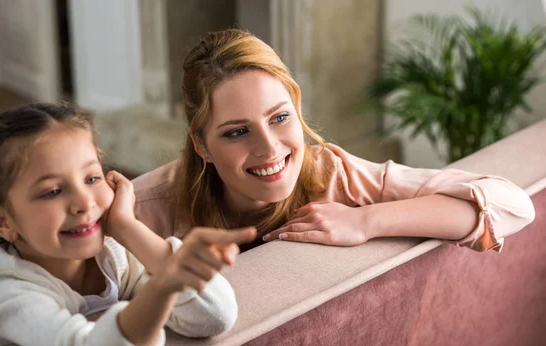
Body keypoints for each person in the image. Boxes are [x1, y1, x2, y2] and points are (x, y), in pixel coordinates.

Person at [132, 28, 535, 252]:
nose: (269, 148)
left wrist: (365, 220)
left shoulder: (334, 174)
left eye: (280, 118)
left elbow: (513, 205)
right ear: (200, 144)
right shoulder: (145, 209)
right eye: (237, 132)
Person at [0, 103, 255, 346]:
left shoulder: (113, 252)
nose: (83, 202)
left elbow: (215, 316)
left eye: (92, 179)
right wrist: (163, 286)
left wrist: (127, 227)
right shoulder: (5, 290)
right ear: (2, 222)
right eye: (52, 191)